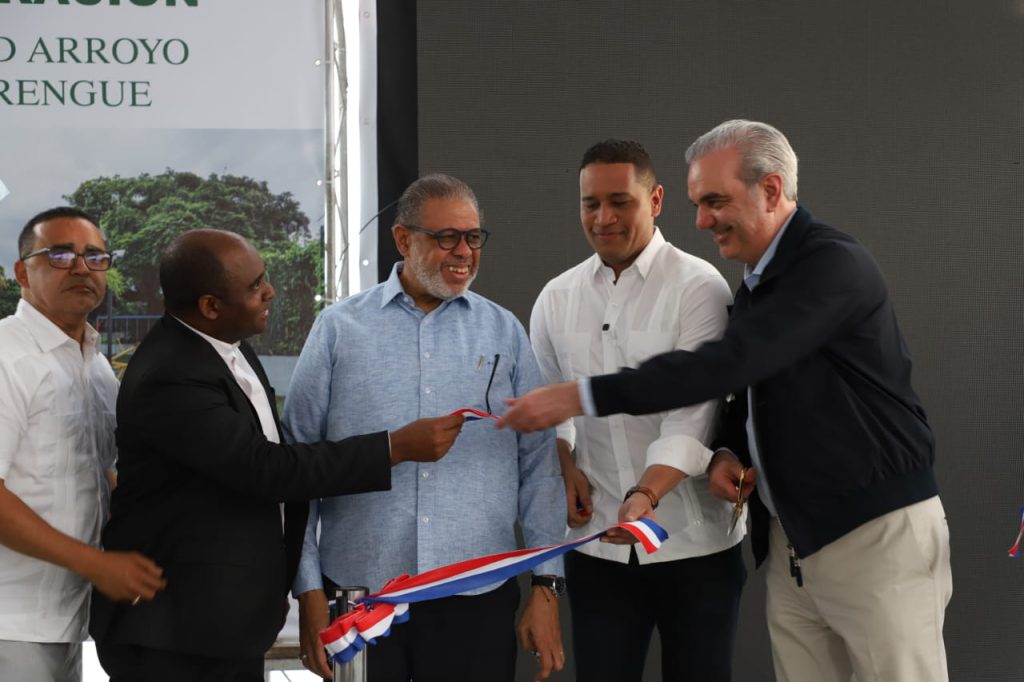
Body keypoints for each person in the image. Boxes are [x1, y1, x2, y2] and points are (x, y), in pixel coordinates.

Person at [501, 120, 952, 682]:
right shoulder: (759, 282)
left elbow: (722, 369)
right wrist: (728, 452)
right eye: (698, 202)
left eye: (715, 201)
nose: (702, 220)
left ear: (771, 189)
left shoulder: (829, 265)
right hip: (795, 540)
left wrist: (584, 394)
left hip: (871, 532)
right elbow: (754, 396)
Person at [90, 229, 464, 682]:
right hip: (174, 635)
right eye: (255, 287)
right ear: (210, 306)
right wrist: (394, 447)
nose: (270, 291)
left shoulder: (225, 343)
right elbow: (266, 469)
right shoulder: (171, 373)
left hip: (222, 626)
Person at [285, 174, 567, 682]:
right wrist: (307, 592)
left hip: (476, 598)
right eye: (446, 238)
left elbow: (539, 467)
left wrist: (546, 587)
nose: (464, 252)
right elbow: (295, 469)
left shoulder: (505, 331)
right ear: (402, 239)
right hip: (361, 600)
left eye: (473, 237)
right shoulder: (337, 329)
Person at [530, 139, 744, 682]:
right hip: (598, 546)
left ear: (656, 200)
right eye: (590, 204)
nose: (603, 218)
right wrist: (565, 460)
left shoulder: (700, 287)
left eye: (620, 201)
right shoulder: (555, 298)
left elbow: (694, 410)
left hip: (695, 545)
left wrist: (646, 493)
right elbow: (553, 400)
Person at [0, 207, 166, 682]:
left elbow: (99, 473)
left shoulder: (93, 365)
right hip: (11, 617)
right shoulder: (7, 358)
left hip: (67, 618)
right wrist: (97, 563)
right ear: (21, 273)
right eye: (59, 254)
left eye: (95, 256)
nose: (80, 267)